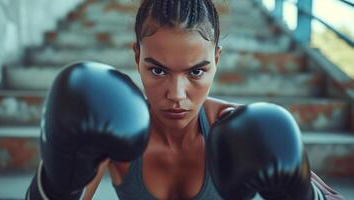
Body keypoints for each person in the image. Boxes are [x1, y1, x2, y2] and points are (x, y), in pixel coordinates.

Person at [26, 0, 344, 199]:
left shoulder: (242, 133)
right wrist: (57, 185)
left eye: (196, 72)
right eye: (158, 71)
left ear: (216, 60)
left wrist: (302, 194)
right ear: (137, 56)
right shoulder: (113, 128)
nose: (176, 96)